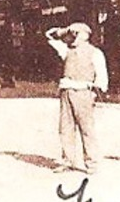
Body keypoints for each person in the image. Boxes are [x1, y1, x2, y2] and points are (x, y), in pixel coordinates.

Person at [46, 22, 108, 173]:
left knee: (87, 128)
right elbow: (49, 36)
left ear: (85, 35)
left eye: (76, 33)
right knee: (65, 128)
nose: (73, 37)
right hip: (66, 91)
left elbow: (102, 74)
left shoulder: (95, 52)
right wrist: (64, 30)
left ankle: (92, 163)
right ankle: (68, 160)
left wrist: (96, 92)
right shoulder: (66, 50)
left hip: (83, 92)